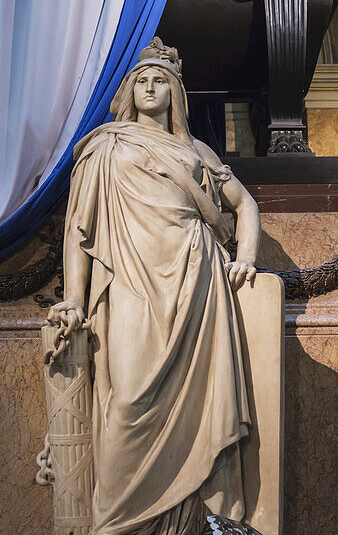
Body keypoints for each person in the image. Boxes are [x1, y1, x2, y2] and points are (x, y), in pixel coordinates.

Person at [49, 38, 262, 535]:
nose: (150, 87)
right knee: (126, 399)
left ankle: (190, 519)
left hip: (194, 279)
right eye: (141, 80)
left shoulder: (195, 150)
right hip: (129, 280)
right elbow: (79, 231)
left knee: (199, 408)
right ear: (129, 90)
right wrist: (74, 300)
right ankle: (116, 524)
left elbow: (244, 205)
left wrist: (246, 258)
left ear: (176, 93)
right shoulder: (107, 146)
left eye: (159, 80)